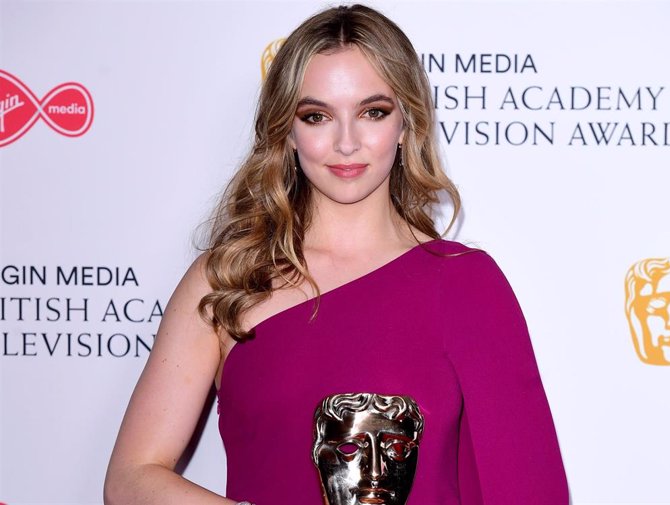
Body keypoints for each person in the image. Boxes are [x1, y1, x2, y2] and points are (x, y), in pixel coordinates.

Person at [104, 4, 568, 504]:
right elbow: (132, 478)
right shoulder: (228, 280)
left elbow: (528, 490)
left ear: (407, 122)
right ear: (287, 130)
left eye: (372, 112)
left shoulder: (466, 284)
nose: (346, 143)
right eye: (317, 116)